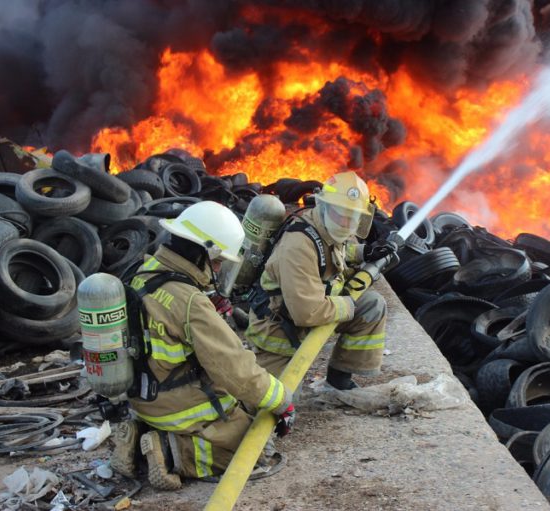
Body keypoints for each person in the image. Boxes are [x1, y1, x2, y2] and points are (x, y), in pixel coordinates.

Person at [109, 200, 295, 490]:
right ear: (203, 252)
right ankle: (171, 453)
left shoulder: (147, 271)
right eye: (219, 260)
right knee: (255, 446)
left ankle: (140, 433)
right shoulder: (191, 302)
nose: (219, 268)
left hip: (142, 397)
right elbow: (234, 368)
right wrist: (281, 402)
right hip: (179, 406)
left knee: (245, 408)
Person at [245, 171, 393, 390]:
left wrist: (366, 252)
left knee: (372, 305)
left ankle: (338, 380)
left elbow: (333, 252)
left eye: (351, 217)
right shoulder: (297, 245)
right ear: (323, 206)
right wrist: (347, 304)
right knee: (277, 403)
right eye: (340, 214)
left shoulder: (326, 227)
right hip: (280, 336)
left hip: (315, 312)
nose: (344, 223)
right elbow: (307, 312)